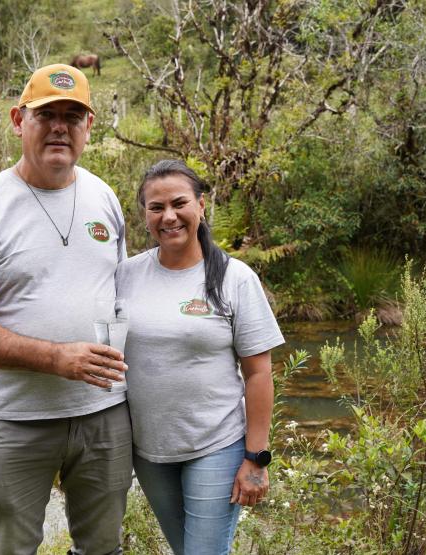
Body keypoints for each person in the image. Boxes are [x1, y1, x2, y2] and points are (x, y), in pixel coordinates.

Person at [0, 64, 132, 555]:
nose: (60, 127)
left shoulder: (104, 198)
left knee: (101, 547)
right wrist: (55, 358)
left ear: (89, 127)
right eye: (46, 115)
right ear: (18, 120)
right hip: (17, 419)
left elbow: (122, 297)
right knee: (11, 547)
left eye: (73, 115)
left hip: (104, 414)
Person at [116, 160, 285, 554]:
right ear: (145, 214)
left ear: (201, 206)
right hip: (150, 450)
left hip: (216, 444)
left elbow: (259, 374)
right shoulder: (126, 275)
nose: (169, 216)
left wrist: (256, 459)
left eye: (179, 203)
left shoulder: (234, 277)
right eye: (156, 207)